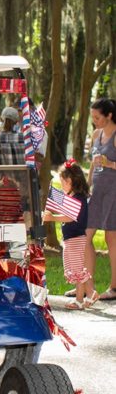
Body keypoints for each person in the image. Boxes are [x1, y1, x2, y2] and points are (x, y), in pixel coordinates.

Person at [43, 160, 95, 309]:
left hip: (76, 238)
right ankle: (90, 293)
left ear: (70, 181)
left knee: (78, 270)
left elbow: (70, 217)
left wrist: (52, 218)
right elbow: (66, 213)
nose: (61, 185)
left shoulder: (78, 198)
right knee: (75, 268)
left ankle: (80, 300)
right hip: (71, 239)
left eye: (62, 182)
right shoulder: (73, 197)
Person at [85, 98, 116, 301]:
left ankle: (114, 288)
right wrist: (85, 187)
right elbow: (93, 166)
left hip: (113, 191)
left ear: (109, 115)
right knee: (85, 236)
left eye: (97, 117)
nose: (94, 121)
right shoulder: (96, 134)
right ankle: (87, 286)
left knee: (111, 238)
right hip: (96, 192)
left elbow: (107, 163)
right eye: (92, 117)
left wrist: (110, 163)